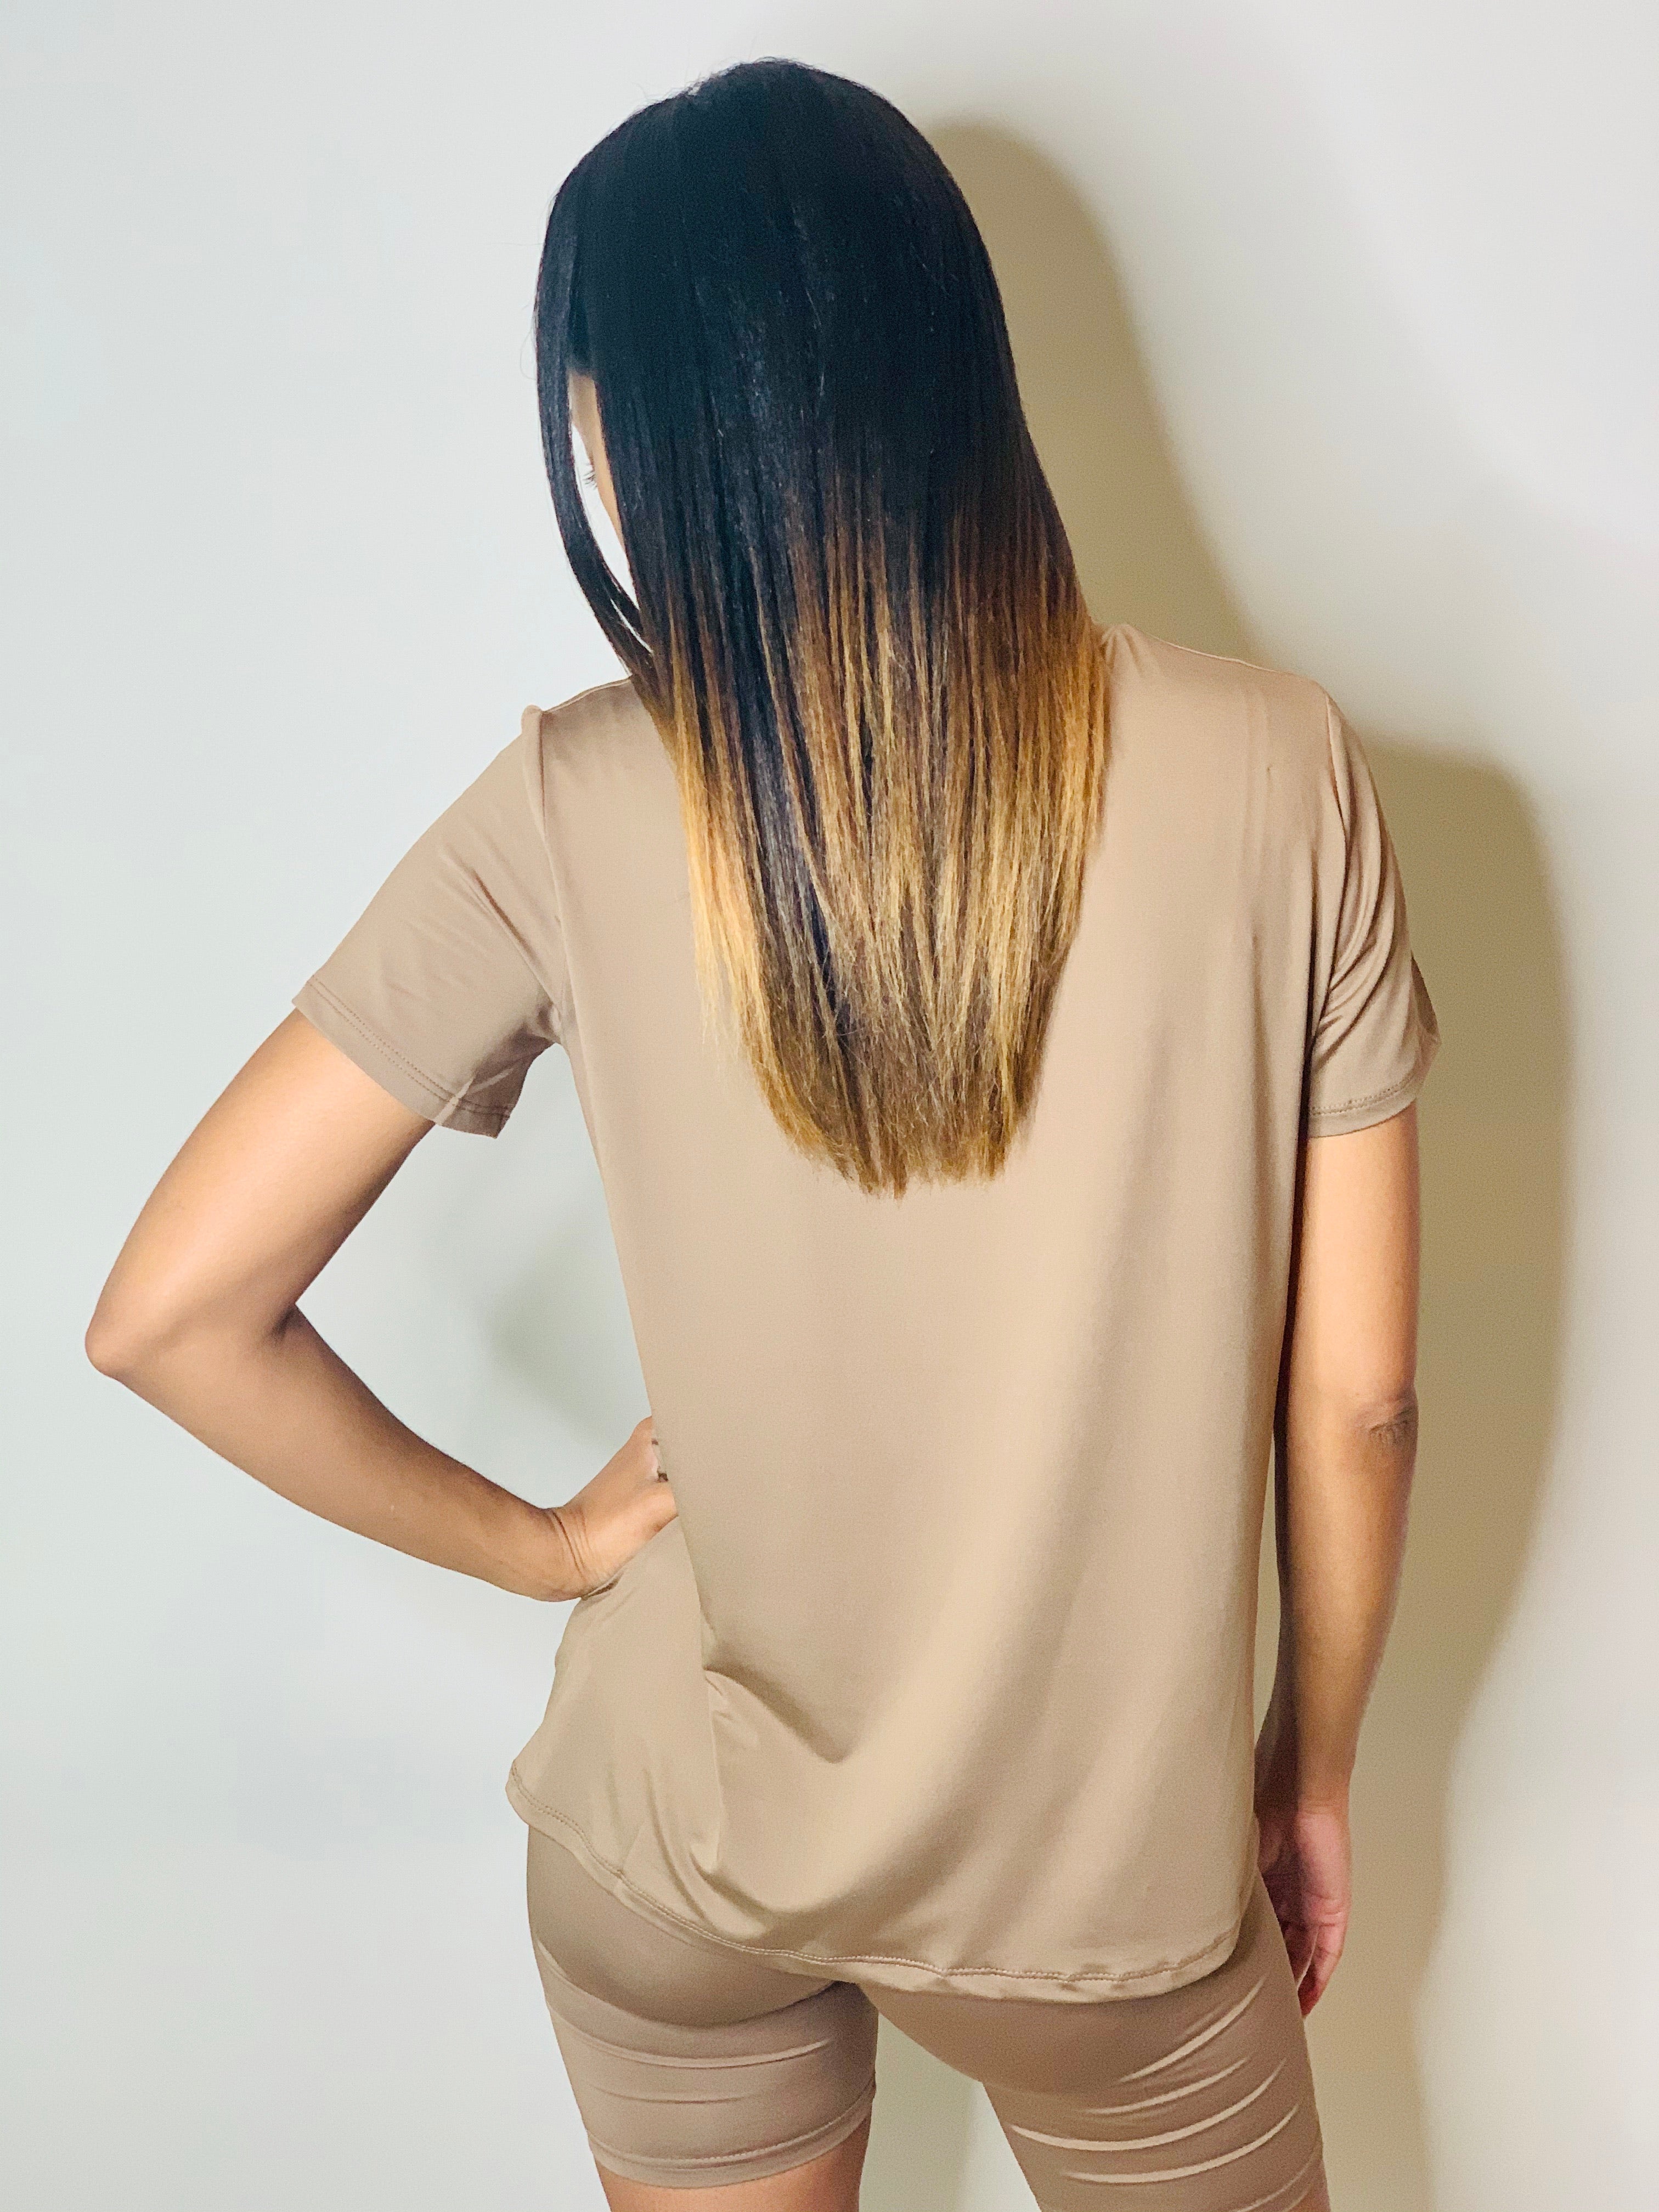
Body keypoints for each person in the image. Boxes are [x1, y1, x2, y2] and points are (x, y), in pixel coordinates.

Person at [87, 57, 1440, 2212]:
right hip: (1101, 1896)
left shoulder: (565, 800)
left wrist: (544, 1551)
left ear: (642, 431)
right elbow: (1356, 1404)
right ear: (955, 364)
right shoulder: (1283, 773)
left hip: (676, 1843)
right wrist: (1311, 1768)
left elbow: (170, 1312)